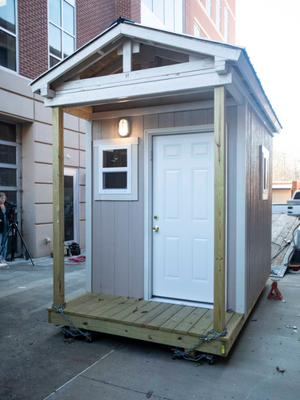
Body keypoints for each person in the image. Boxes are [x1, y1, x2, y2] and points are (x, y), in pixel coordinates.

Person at [0, 192, 8, 264]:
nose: (3, 200)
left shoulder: (6, 206)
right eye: (2, 198)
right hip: (0, 227)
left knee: (4, 243)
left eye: (4, 198)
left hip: (6, 227)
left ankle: (3, 258)